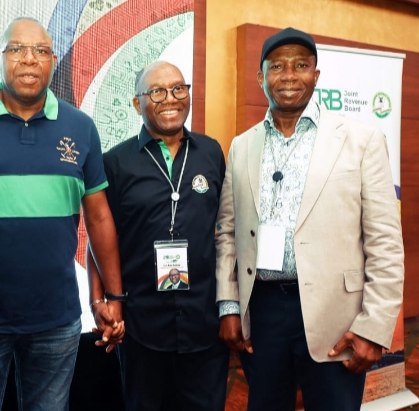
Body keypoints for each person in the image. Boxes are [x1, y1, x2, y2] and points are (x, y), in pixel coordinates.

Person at [0, 17, 124, 411]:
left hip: (56, 317)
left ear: (53, 61)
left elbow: (99, 218)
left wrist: (113, 296)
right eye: (16, 49)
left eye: (41, 51)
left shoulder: (81, 127)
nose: (29, 59)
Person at [215, 27, 404, 411]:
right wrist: (229, 305)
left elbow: (385, 242)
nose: (288, 76)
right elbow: (227, 233)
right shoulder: (241, 145)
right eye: (277, 66)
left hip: (336, 316)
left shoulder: (361, 140)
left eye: (300, 65)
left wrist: (374, 327)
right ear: (261, 77)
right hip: (263, 312)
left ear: (316, 75)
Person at [88, 61, 228, 411]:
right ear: (137, 103)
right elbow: (98, 239)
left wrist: (231, 307)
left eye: (179, 88)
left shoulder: (211, 153)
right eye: (157, 91)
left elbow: (227, 232)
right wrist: (98, 301)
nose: (171, 99)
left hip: (204, 325)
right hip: (141, 327)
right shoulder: (115, 163)